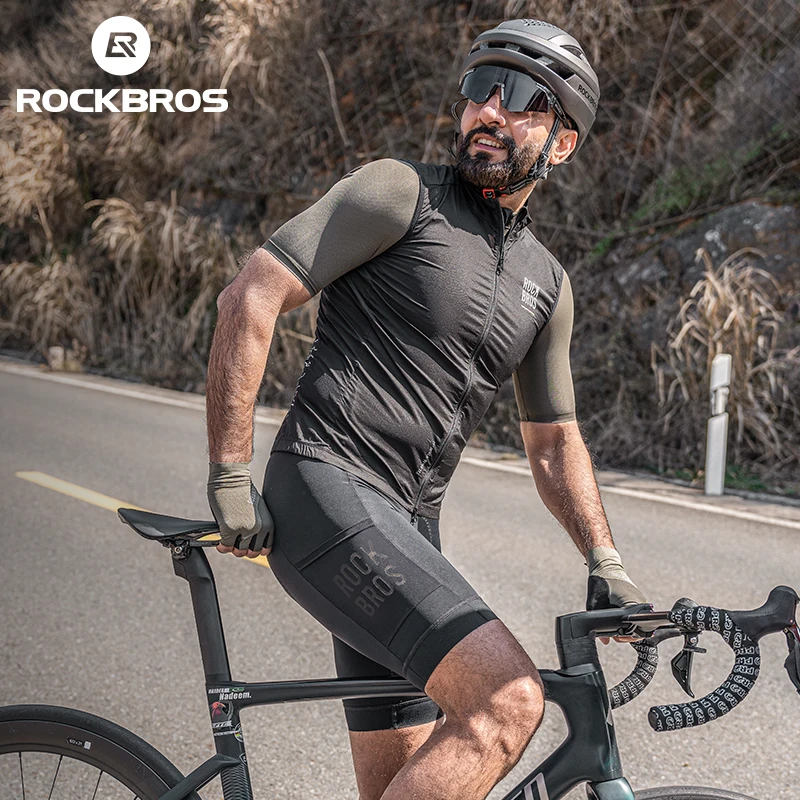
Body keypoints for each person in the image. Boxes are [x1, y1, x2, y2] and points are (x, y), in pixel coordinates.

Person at [205, 18, 647, 800]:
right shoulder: (399, 194)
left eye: (525, 98)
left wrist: (604, 560)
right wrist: (230, 472)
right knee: (506, 701)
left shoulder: (547, 285)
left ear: (564, 144)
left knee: (403, 783)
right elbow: (252, 295)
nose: (491, 110)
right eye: (482, 88)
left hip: (408, 530)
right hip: (328, 491)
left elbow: (554, 443)